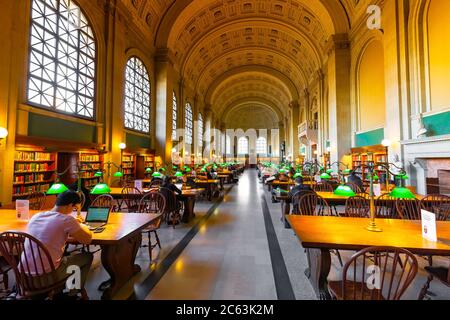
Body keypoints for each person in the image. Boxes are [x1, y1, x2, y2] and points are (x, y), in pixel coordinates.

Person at [22, 191, 93, 297]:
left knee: (63, 257)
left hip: (23, 278)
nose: (72, 212)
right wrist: (81, 224)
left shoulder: (36, 216)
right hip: (45, 279)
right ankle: (72, 294)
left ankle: (58, 290)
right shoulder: (66, 219)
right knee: (87, 256)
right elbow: (87, 239)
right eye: (74, 208)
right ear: (69, 205)